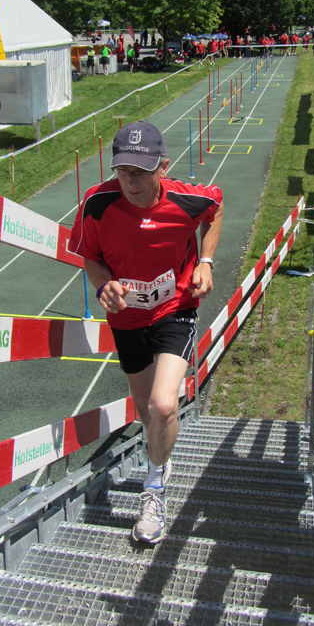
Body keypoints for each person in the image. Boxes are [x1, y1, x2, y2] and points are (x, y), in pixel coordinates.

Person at [69, 122, 224, 544]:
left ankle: (153, 487)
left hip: (175, 309)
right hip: (127, 319)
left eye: (141, 171)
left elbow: (215, 207)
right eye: (123, 170)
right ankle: (160, 453)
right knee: (144, 407)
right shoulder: (97, 204)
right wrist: (103, 285)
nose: (131, 180)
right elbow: (90, 258)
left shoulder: (187, 199)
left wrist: (206, 261)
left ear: (163, 167)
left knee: (162, 405)